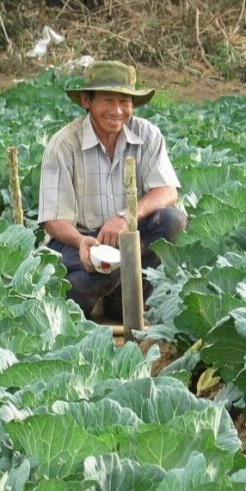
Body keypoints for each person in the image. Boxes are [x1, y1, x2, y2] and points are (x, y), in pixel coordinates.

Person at [38, 60, 186, 319]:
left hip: (129, 240)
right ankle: (105, 294)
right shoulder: (64, 144)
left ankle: (123, 298)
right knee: (72, 291)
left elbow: (167, 191)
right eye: (107, 101)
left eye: (124, 102)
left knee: (172, 220)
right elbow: (53, 219)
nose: (117, 110)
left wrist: (125, 218)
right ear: (87, 101)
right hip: (78, 243)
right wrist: (82, 241)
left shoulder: (148, 135)